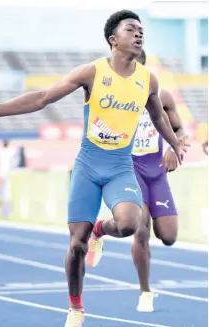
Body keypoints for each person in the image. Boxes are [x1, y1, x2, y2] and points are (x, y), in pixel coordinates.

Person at [0, 10, 187, 327]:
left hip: (119, 166)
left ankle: (100, 231)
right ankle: (75, 306)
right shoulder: (92, 72)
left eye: (142, 30)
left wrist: (174, 142)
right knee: (76, 244)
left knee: (130, 224)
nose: (139, 34)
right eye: (131, 29)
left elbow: (158, 117)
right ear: (114, 40)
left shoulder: (148, 80)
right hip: (88, 166)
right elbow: (43, 98)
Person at [86, 49, 189, 314]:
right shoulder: (112, 98)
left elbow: (180, 129)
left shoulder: (161, 97)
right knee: (139, 230)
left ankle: (99, 229)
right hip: (129, 170)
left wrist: (173, 147)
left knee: (168, 236)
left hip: (156, 172)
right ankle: (145, 291)